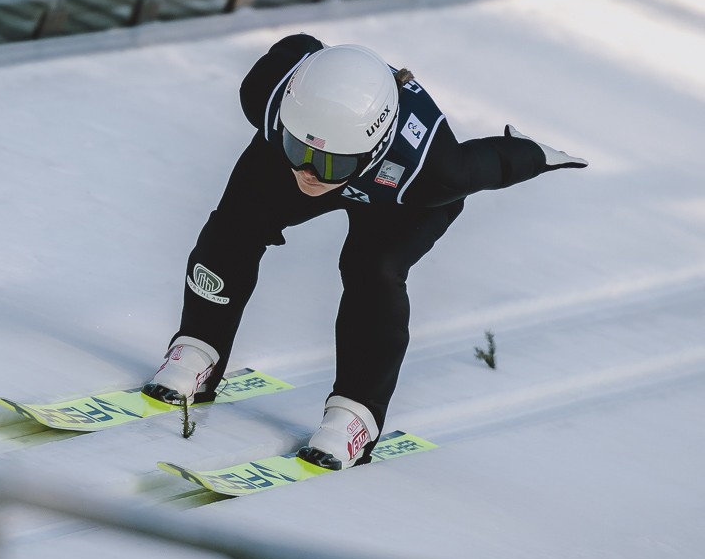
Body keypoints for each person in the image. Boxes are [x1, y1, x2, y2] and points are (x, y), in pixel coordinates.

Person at [141, 33, 588, 470]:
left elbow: (497, 163)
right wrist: (315, 112)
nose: (310, 173)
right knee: (235, 225)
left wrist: (536, 153)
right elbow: (301, 44)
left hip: (397, 196)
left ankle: (356, 411)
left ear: (373, 149)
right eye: (299, 149)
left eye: (331, 163)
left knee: (373, 270)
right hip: (298, 152)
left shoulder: (433, 169)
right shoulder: (265, 94)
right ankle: (199, 347)